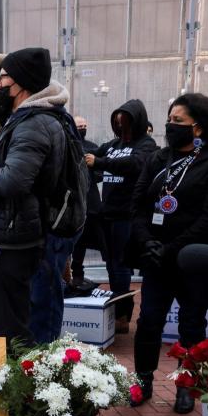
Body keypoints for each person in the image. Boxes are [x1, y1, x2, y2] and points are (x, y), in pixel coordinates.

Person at [130, 93, 208, 414]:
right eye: (170, 119)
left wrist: (170, 249)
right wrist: (146, 241)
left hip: (196, 258)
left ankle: (186, 386)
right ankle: (144, 380)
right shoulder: (158, 158)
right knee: (148, 320)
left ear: (199, 128)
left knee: (192, 323)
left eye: (178, 121)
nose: (170, 125)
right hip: (155, 258)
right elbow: (137, 205)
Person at [0, 47, 71, 345]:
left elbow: (14, 182)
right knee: (6, 325)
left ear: (22, 84)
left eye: (2, 78)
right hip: (6, 236)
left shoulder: (34, 123)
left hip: (11, 242)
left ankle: (15, 389)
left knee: (10, 334)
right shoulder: (26, 119)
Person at [86, 100, 157, 334]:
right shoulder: (113, 144)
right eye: (117, 122)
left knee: (122, 267)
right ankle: (115, 313)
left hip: (128, 216)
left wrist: (100, 162)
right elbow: (92, 153)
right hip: (108, 214)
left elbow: (134, 164)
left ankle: (123, 315)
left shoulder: (147, 145)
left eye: (124, 122)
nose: (120, 126)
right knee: (111, 266)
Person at [67, 116, 106, 297]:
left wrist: (90, 171)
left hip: (92, 202)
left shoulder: (92, 147)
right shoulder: (67, 145)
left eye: (85, 126)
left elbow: (101, 171)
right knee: (77, 242)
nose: (82, 129)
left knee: (97, 239)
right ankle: (74, 274)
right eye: (79, 126)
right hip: (73, 202)